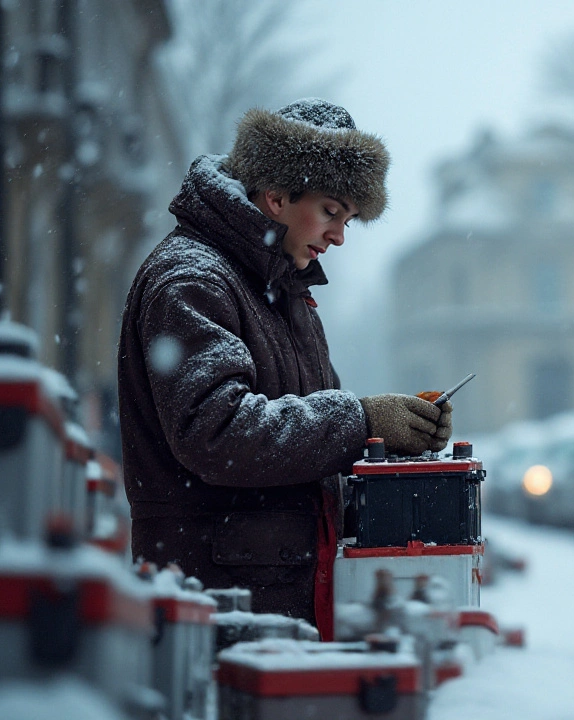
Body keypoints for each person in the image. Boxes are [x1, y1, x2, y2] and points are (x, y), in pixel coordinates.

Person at [118, 99, 451, 635]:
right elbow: (219, 433)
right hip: (215, 604)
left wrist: (395, 437)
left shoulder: (283, 291)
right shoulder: (192, 280)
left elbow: (311, 432)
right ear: (275, 196)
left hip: (268, 595)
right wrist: (362, 421)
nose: (339, 235)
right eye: (332, 211)